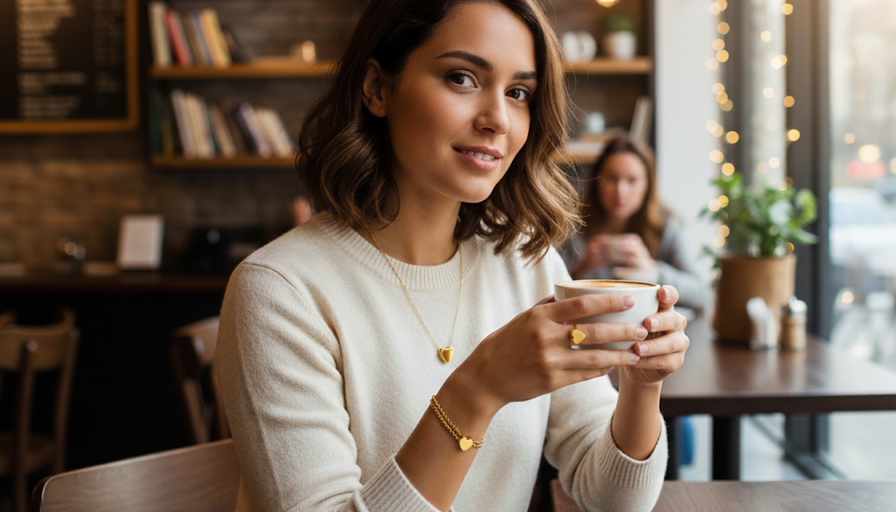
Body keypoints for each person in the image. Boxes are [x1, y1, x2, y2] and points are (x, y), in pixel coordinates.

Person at [217, 1, 689, 511]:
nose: (497, 120)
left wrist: (641, 386)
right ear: (377, 88)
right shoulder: (279, 291)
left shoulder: (525, 260)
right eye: (462, 78)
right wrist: (476, 391)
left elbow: (615, 500)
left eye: (518, 93)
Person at [561, 137, 709, 312]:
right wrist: (582, 268)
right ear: (597, 180)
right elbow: (548, 290)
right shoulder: (571, 225)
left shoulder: (664, 226)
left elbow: (702, 295)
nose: (620, 191)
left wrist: (652, 271)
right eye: (612, 178)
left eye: (632, 180)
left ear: (647, 185)